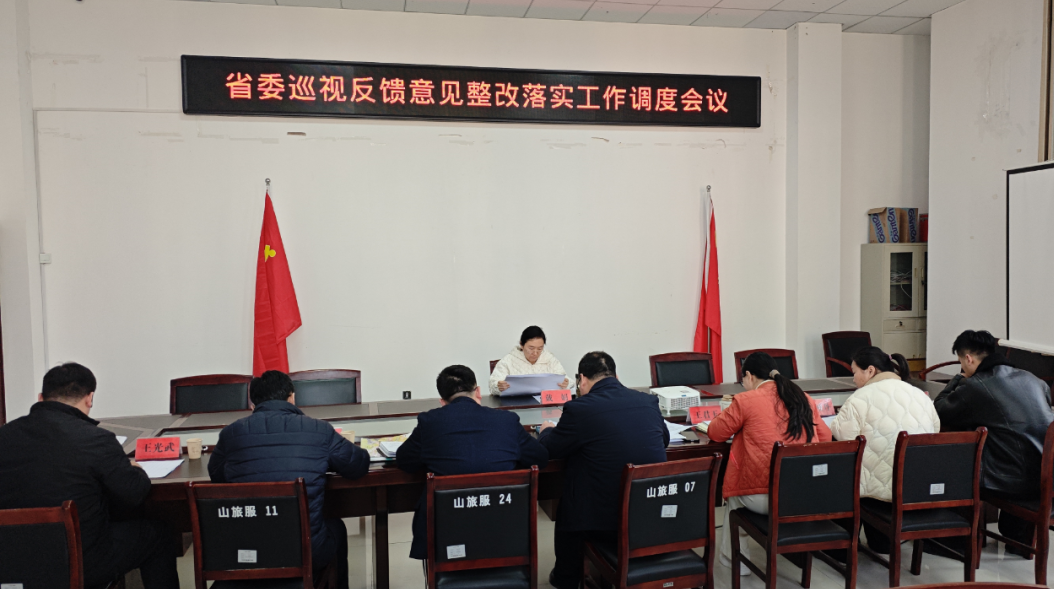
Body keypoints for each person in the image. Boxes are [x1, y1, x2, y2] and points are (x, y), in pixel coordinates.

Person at [0, 363, 180, 589]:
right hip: (82, 563)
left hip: (11, 563)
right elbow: (134, 493)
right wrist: (135, 469)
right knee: (158, 534)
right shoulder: (95, 439)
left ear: (41, 398)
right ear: (90, 399)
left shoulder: (4, 436)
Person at [209, 370, 370, 588]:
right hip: (305, 553)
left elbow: (216, 475)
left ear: (252, 404)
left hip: (246, 553)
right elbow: (358, 465)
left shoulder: (231, 434)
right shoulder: (318, 430)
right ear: (292, 397)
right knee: (336, 528)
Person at [537, 351, 669, 589]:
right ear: (616, 376)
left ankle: (567, 576)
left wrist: (546, 430)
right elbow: (664, 439)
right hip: (651, 513)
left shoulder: (580, 408)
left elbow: (551, 449)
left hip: (605, 522)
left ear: (582, 379)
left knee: (571, 498)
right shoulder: (647, 401)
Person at [396, 365, 549, 562]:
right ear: (478, 392)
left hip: (446, 536)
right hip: (506, 534)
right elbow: (540, 458)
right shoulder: (507, 421)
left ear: (442, 402)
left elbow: (405, 462)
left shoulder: (430, 422)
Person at [706, 352, 832, 575]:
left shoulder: (746, 400)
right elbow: (826, 437)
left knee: (734, 494)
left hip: (764, 498)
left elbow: (715, 432)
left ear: (749, 376)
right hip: (804, 495)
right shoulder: (802, 397)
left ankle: (736, 561)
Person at [934, 330, 1054, 555]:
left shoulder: (976, 385)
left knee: (957, 458)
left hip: (1011, 481)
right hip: (1046, 476)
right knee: (1013, 446)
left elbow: (940, 409)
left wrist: (959, 378)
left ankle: (959, 540)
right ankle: (1017, 540)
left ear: (968, 359)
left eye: (961, 362)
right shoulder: (1034, 380)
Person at [829, 346, 939, 554]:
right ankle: (882, 542)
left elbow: (843, 437)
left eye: (854, 372)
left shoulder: (860, 398)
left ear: (870, 371)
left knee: (839, 469)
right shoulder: (920, 394)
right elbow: (935, 430)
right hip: (917, 485)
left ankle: (841, 548)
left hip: (879, 492)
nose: (853, 379)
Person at [489, 325, 569, 395]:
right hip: (517, 403)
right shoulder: (508, 361)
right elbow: (492, 386)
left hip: (545, 404)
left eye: (540, 348)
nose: (535, 353)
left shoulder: (549, 359)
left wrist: (565, 383)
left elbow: (566, 379)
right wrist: (499, 386)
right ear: (521, 344)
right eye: (531, 348)